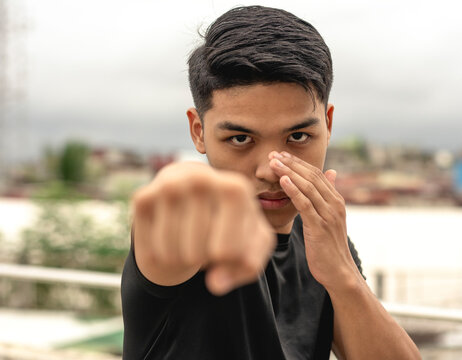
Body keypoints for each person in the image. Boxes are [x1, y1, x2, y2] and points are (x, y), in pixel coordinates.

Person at [121, 5, 421, 360]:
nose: (271, 169)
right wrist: (180, 183)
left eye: (297, 136)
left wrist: (343, 275)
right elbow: (174, 209)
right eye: (240, 139)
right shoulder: (198, 232)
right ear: (198, 132)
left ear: (327, 125)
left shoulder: (321, 239)